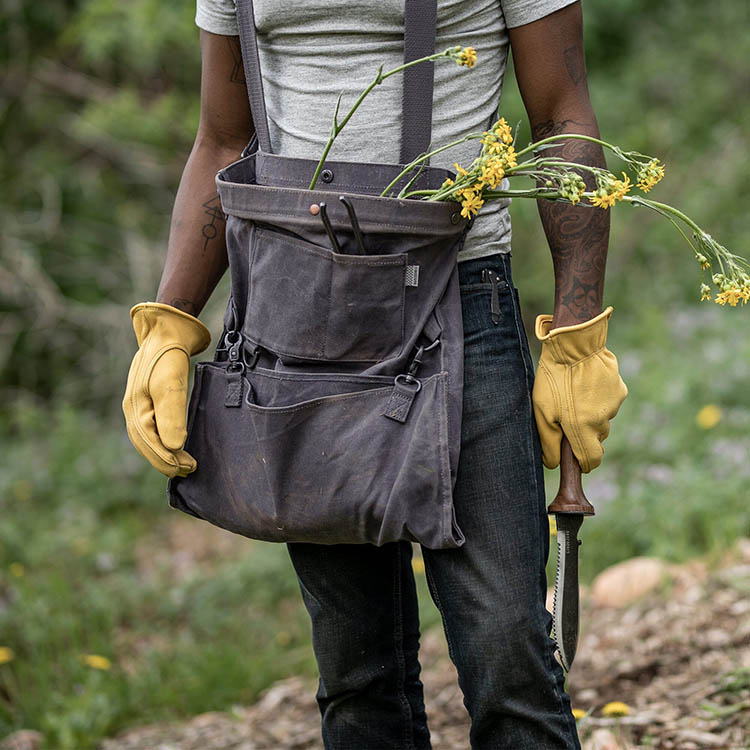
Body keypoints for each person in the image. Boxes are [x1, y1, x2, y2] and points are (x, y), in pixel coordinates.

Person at [123, 1, 628, 747]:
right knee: (359, 676)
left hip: (460, 299)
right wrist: (169, 324)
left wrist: (576, 336)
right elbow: (224, 136)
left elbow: (561, 114)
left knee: (508, 655)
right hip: (299, 318)